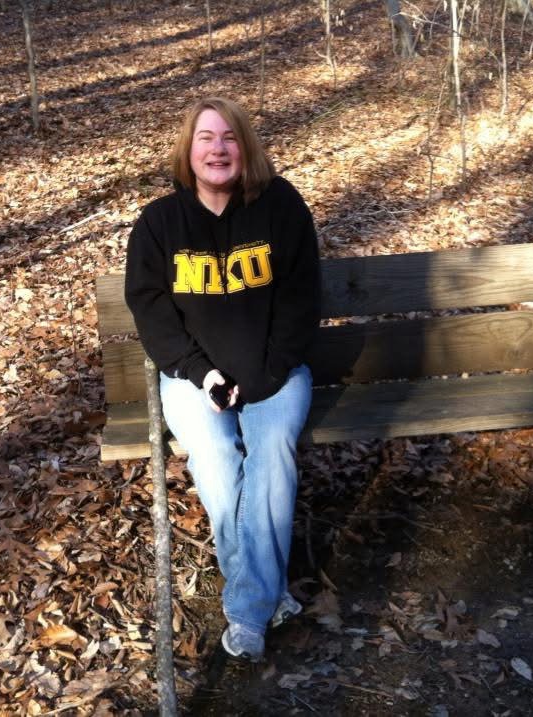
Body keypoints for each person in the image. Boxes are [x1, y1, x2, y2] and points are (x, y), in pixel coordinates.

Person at [124, 97, 321, 662]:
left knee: (272, 453)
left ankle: (247, 612)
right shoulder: (160, 223)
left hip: (274, 372)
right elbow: (151, 310)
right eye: (206, 138)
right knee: (214, 460)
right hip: (193, 378)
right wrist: (201, 373)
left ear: (246, 147)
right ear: (188, 151)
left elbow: (301, 297)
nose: (218, 149)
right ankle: (266, 595)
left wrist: (266, 374)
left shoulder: (280, 206)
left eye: (229, 137)